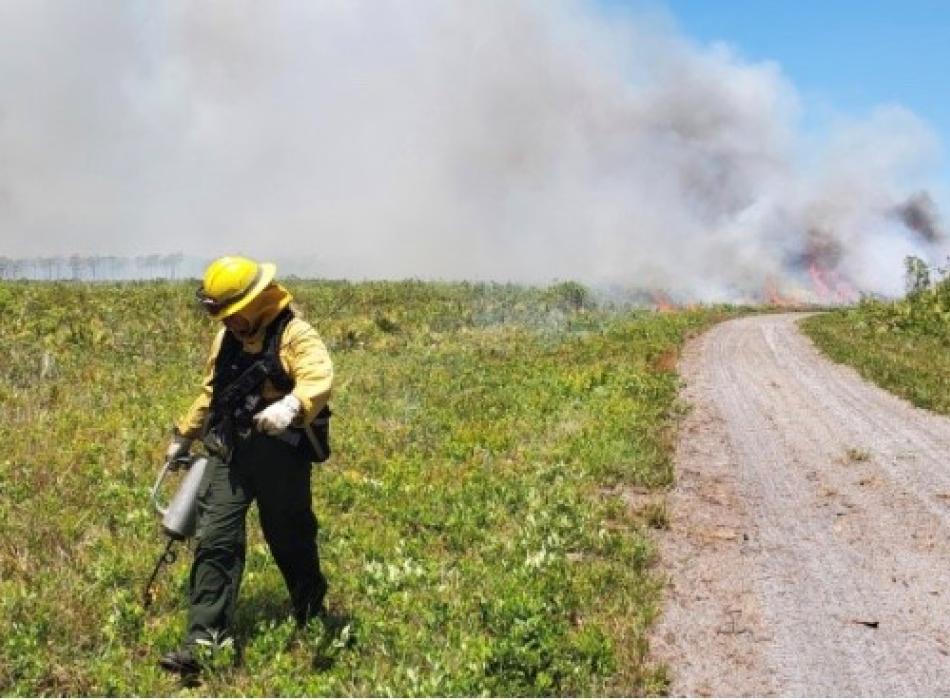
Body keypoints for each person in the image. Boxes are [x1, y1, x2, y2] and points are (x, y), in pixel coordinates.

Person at [158, 255, 333, 677]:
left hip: (281, 454)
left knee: (290, 538)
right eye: (222, 315)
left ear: (256, 302)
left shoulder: (295, 334)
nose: (228, 323)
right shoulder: (226, 338)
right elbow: (211, 391)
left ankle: (311, 611)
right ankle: (203, 643)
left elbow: (319, 378)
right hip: (229, 450)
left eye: (233, 313)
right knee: (216, 542)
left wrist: (292, 405)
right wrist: (184, 434)